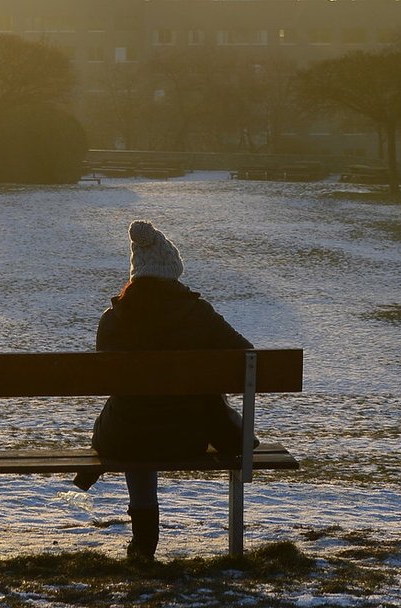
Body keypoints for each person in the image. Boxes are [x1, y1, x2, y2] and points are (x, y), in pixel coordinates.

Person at [80, 219, 252, 562]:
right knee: (153, 420)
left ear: (136, 273)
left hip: (123, 437)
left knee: (136, 422)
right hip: (185, 436)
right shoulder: (199, 314)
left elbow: (111, 380)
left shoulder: (113, 318)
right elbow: (247, 359)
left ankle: (143, 545)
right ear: (173, 271)